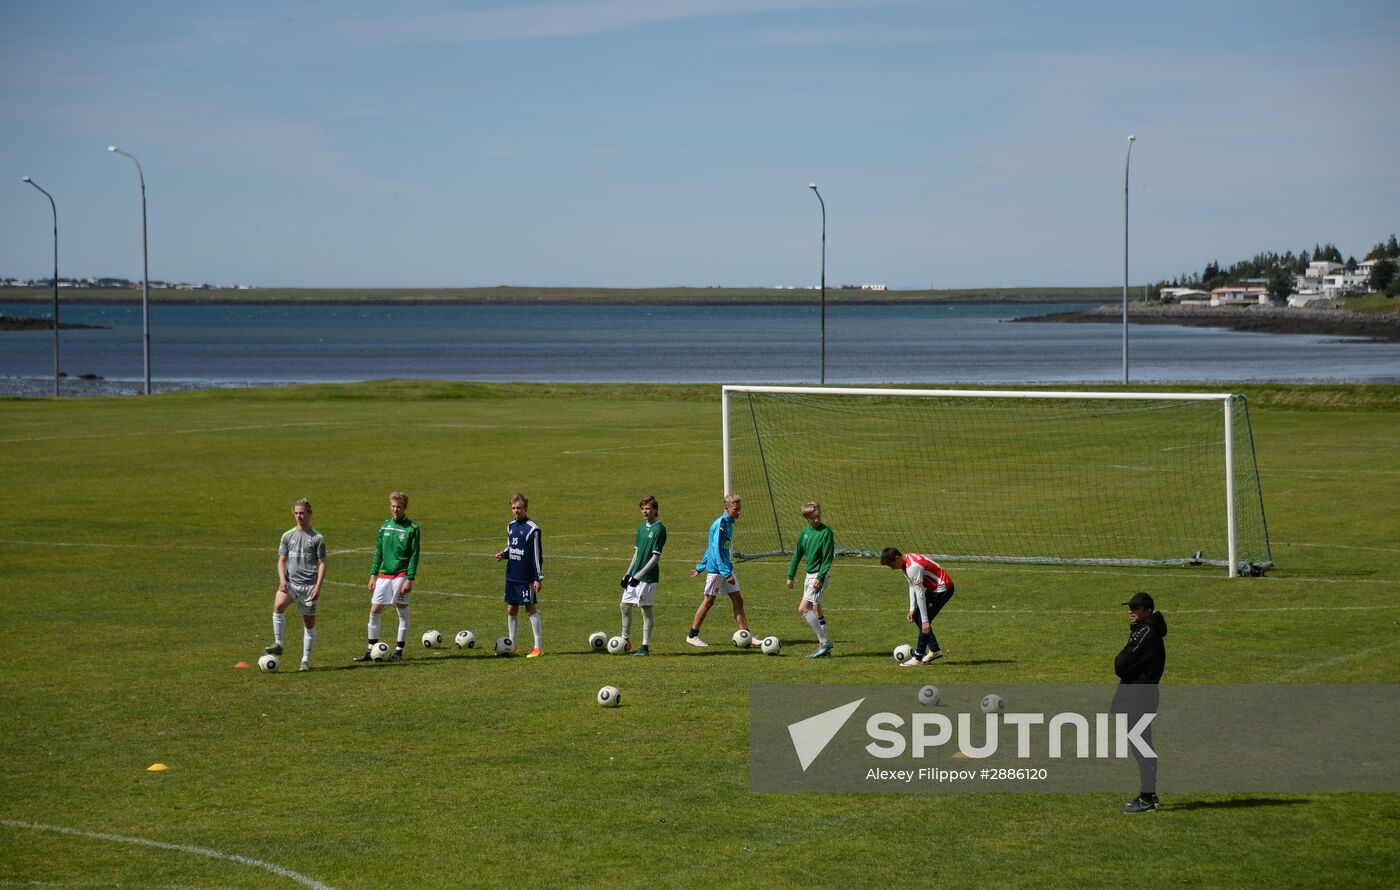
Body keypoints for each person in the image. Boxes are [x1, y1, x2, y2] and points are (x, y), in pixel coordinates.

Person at [1113, 591, 1168, 814]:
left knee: (1141, 746)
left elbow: (1121, 664)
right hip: (1141, 695)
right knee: (1142, 745)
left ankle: (1146, 798)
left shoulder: (1146, 633)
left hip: (1138, 697)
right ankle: (1149, 795)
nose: (1131, 612)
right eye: (1130, 608)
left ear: (1148, 611)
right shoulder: (1146, 630)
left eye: (1136, 608)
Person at [353, 490, 419, 663]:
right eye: (393, 506)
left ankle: (398, 652)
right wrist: (373, 575)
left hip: (401, 576)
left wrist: (410, 578)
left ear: (405, 508)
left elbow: (414, 555)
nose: (395, 510)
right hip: (384, 576)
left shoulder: (412, 529)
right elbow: (378, 552)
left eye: (399, 507)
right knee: (374, 610)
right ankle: (370, 649)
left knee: (402, 612)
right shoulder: (384, 526)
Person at [265, 498, 327, 672]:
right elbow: (281, 560)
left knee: (308, 622)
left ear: (309, 513)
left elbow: (323, 563)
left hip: (309, 586)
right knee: (278, 605)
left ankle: (305, 660)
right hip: (291, 584)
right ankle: (278, 643)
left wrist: (317, 587)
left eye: (302, 513)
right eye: (296, 513)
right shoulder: (287, 536)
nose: (299, 516)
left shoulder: (317, 538)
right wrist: (282, 580)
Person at [686, 495, 756, 647]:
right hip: (717, 570)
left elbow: (711, 547)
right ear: (726, 509)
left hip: (725, 568)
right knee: (709, 601)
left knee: (738, 600)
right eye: (735, 509)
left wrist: (700, 566)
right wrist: (724, 572)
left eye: (739, 509)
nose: (739, 512)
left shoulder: (729, 523)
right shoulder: (721, 524)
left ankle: (746, 635)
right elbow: (716, 549)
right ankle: (692, 635)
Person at [879, 547, 954, 666]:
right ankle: (934, 650)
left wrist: (925, 621)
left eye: (891, 565)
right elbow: (911, 585)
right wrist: (912, 608)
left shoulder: (912, 567)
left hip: (942, 589)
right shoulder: (905, 563)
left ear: (896, 558)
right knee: (918, 617)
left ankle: (918, 657)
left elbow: (920, 594)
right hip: (934, 588)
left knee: (922, 619)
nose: (892, 568)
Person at [495, 493, 543, 657]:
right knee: (511, 608)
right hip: (511, 575)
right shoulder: (510, 526)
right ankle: (512, 645)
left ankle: (537, 647)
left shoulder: (533, 529)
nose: (516, 511)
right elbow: (512, 547)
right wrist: (503, 554)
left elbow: (537, 555)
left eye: (519, 508)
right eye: (514, 508)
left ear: (525, 508)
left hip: (526, 577)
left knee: (530, 608)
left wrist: (537, 578)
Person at [619, 494, 667, 656]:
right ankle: (625, 640)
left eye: (647, 508)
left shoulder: (659, 529)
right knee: (624, 605)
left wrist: (639, 575)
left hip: (648, 578)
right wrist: (628, 573)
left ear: (655, 510)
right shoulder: (641, 527)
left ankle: (645, 646)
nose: (644, 512)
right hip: (635, 576)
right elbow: (637, 552)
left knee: (646, 611)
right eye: (642, 509)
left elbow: (656, 557)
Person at [786, 500, 835, 658]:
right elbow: (797, 554)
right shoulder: (804, 532)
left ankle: (824, 642)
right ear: (807, 519)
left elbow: (827, 558)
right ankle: (824, 648)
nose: (817, 519)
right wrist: (790, 575)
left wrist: (820, 577)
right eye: (813, 517)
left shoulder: (826, 533)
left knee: (803, 608)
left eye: (818, 516)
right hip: (809, 575)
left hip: (819, 576)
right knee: (816, 609)